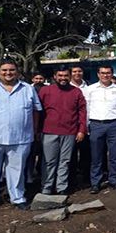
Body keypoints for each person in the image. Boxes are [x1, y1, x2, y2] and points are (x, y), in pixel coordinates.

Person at [0, 59, 42, 212]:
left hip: (20, 138)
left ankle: (17, 198)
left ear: (17, 72)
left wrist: (35, 130)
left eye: (11, 70)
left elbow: (36, 110)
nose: (8, 73)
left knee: (17, 170)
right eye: (4, 70)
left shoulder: (27, 89)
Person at [38, 66, 87, 195]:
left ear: (70, 76)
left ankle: (61, 188)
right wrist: (37, 130)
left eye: (65, 76)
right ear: (55, 76)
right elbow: (38, 111)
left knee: (65, 162)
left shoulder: (76, 92)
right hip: (49, 131)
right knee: (49, 161)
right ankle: (46, 188)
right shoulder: (45, 90)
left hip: (70, 131)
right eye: (60, 75)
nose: (63, 78)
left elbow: (82, 112)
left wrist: (81, 130)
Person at [84, 65, 116, 194]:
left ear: (112, 74)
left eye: (108, 73)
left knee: (115, 156)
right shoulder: (90, 89)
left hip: (114, 124)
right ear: (98, 74)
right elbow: (86, 108)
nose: (105, 75)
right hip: (96, 124)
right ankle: (95, 183)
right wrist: (86, 125)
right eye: (103, 73)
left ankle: (114, 180)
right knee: (96, 156)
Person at [69, 64, 90, 188]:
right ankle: (71, 180)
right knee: (71, 155)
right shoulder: (67, 87)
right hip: (71, 126)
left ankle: (85, 179)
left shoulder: (89, 87)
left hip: (86, 126)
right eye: (74, 71)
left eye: (79, 71)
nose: (77, 73)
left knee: (86, 154)